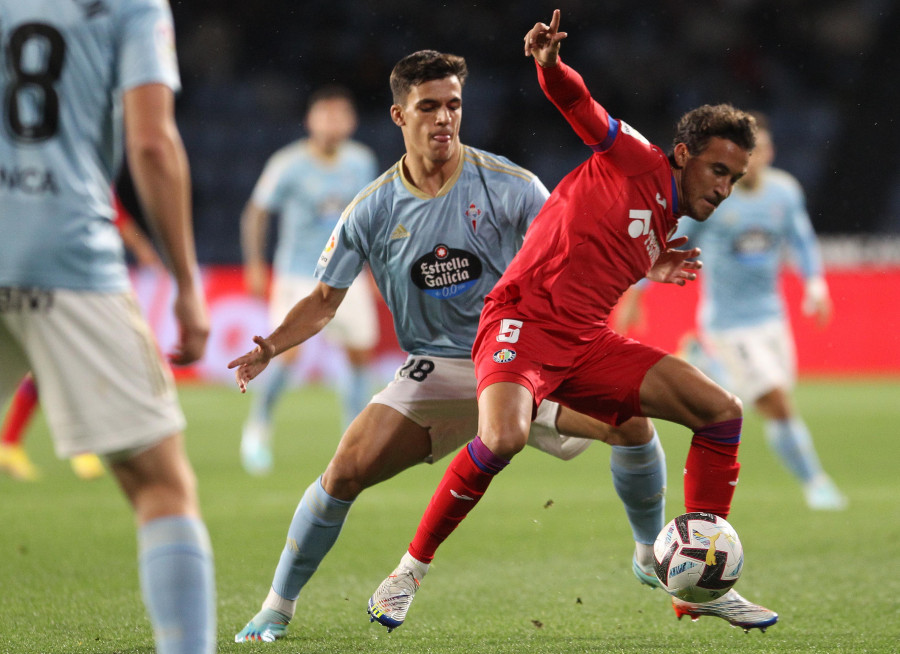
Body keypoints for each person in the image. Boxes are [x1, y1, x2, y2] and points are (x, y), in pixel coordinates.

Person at [229, 48, 675, 643]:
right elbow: (323, 301)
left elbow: (577, 243)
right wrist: (269, 347)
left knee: (632, 422)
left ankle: (650, 551)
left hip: (520, 357)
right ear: (398, 116)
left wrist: (646, 259)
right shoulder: (372, 208)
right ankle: (276, 608)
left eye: (455, 105)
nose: (445, 118)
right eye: (430, 106)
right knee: (343, 473)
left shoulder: (511, 186)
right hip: (434, 369)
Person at [368, 10, 778, 634]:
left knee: (720, 410)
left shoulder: (665, 217)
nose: (724, 188)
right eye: (718, 171)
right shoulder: (638, 157)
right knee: (502, 438)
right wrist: (550, 65)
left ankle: (699, 583)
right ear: (684, 154)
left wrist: (651, 264)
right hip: (520, 325)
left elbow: (598, 244)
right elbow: (580, 106)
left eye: (735, 179)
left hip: (585, 343)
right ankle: (407, 571)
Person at [0, 1, 216, 652]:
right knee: (161, 484)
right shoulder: (131, 5)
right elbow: (150, 142)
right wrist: (185, 281)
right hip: (64, 250)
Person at [616, 113, 846, 511]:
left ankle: (706, 365)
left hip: (771, 319)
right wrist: (638, 290)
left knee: (769, 399)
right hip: (727, 323)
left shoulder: (784, 192)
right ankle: (816, 483)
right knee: (775, 401)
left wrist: (815, 285)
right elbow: (674, 242)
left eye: (762, 151)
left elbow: (802, 239)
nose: (755, 160)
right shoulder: (717, 198)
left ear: (769, 153)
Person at [239, 85, 380, 475]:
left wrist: (379, 267)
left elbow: (371, 221)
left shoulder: (362, 162)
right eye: (325, 114)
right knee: (284, 353)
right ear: (310, 120)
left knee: (358, 355)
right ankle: (258, 428)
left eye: (340, 114)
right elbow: (256, 212)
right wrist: (254, 263)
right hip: (299, 275)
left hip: (348, 276)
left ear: (351, 122)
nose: (333, 122)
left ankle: (353, 440)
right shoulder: (288, 163)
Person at [0, 196, 164, 482]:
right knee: (73, 359)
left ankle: (13, 443)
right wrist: (141, 247)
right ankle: (81, 445)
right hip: (66, 279)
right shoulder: (77, 163)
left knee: (48, 364)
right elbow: (112, 207)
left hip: (30, 272)